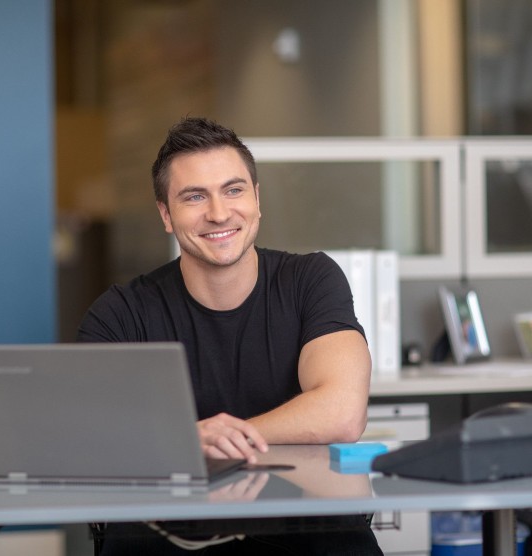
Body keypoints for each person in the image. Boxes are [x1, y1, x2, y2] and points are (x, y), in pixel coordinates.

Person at [77, 117, 380, 555]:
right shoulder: (121, 313)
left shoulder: (310, 280)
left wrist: (210, 445)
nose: (219, 213)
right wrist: (187, 442)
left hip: (307, 532)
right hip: (168, 538)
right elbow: (88, 435)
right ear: (166, 214)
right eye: (194, 196)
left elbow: (343, 412)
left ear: (257, 199)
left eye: (234, 190)